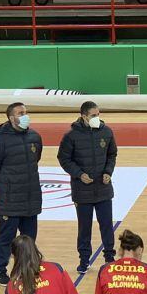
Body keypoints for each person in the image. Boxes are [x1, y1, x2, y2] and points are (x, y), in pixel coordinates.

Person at [0, 102, 43, 286]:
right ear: (11, 118)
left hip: (31, 197)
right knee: (6, 237)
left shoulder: (35, 137)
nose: (25, 115)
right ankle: (0, 270)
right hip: (10, 200)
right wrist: (7, 184)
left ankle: (28, 267)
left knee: (30, 237)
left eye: (26, 112)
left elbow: (36, 159)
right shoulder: (0, 141)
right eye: (20, 113)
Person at [58, 100, 118, 274]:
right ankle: (84, 260)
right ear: (83, 116)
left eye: (98, 114)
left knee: (106, 224)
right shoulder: (71, 136)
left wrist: (108, 171)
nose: (97, 118)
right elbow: (64, 159)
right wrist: (79, 174)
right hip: (82, 190)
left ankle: (109, 257)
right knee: (84, 227)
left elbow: (112, 154)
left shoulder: (106, 132)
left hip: (104, 188)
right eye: (93, 115)